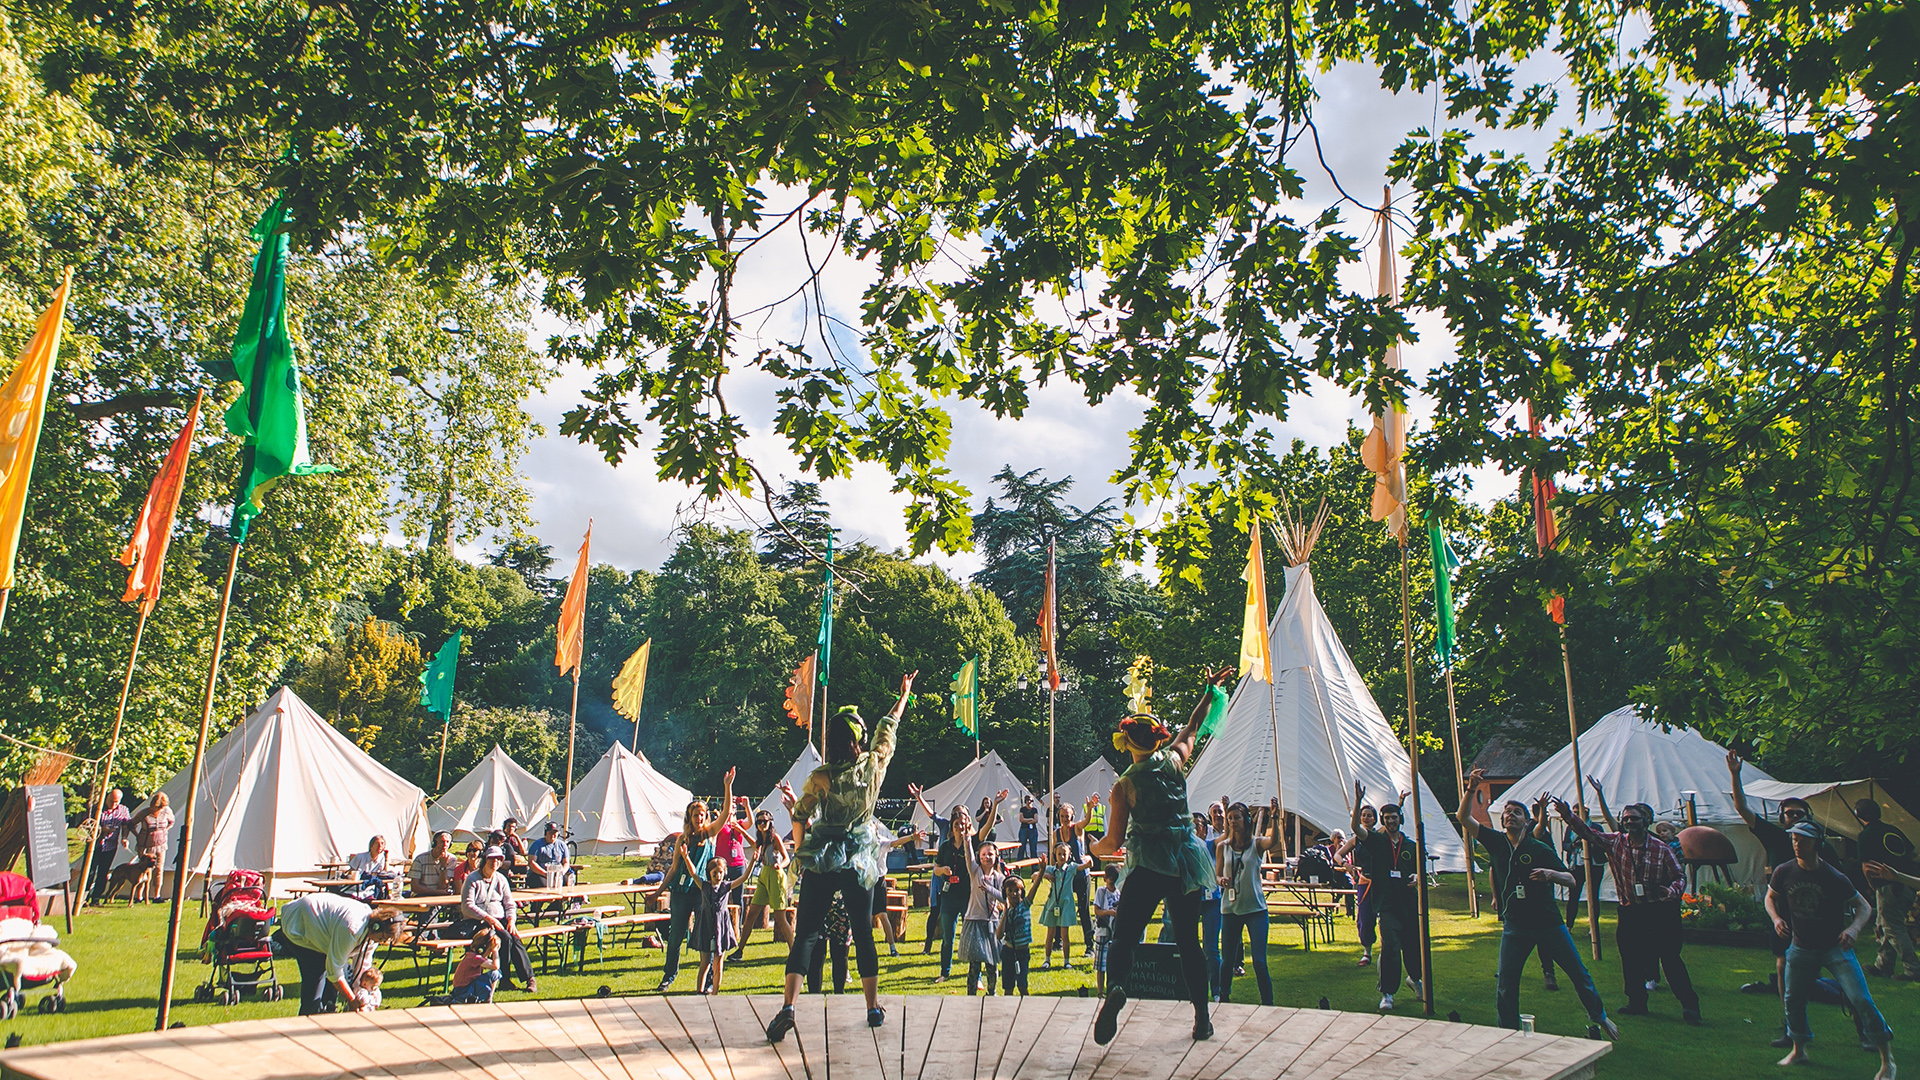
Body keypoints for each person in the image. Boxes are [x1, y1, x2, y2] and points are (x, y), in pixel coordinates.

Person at [765, 673, 916, 1042]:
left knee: (806, 935)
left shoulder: (821, 776)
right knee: (863, 933)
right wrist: (904, 695)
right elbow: (888, 728)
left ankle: (788, 1006)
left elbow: (800, 815)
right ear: (857, 739)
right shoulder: (873, 765)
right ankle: (872, 1007)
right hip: (859, 859)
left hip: (823, 856)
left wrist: (801, 851)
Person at [1089, 667, 1235, 1046]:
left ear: (1127, 742)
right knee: (1189, 942)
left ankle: (1117, 986)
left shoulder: (1125, 786)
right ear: (1157, 741)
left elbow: (1114, 841)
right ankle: (1202, 1019)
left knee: (1125, 938)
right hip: (1184, 862)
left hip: (1148, 865)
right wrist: (1209, 691)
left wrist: (1092, 848)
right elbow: (1193, 726)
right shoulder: (1174, 760)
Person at [1456, 773, 1617, 1038]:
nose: (1509, 815)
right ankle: (1506, 1031)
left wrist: (1550, 874)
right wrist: (1471, 788)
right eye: (1506, 812)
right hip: (1516, 926)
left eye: (1516, 812)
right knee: (1507, 981)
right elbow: (1464, 818)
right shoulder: (1496, 842)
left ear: (1526, 820)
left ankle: (1599, 1016)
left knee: (1578, 973)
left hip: (1549, 924)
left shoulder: (1539, 847)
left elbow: (1571, 879)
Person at [1768, 821, 1895, 1079]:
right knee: (1792, 1000)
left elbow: (1864, 907)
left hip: (1835, 949)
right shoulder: (1784, 871)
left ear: (1818, 843)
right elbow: (1770, 896)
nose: (1796, 844)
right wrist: (1777, 919)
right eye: (1794, 839)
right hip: (1801, 947)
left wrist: (1854, 930)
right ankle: (1799, 1049)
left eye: (1803, 839)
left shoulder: (1833, 876)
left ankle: (1887, 1061)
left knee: (1861, 999)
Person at [1568, 779, 1701, 1023]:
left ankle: (1689, 1005)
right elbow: (1588, 833)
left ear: (1646, 821)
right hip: (1630, 911)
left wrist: (1671, 892)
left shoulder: (1661, 849)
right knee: (1630, 959)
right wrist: (1568, 816)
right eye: (1626, 818)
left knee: (1670, 959)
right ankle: (1636, 1002)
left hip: (1659, 911)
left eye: (1635, 818)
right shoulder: (1617, 842)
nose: (1630, 822)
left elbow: (1679, 876)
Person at [1731, 750, 1830, 1045]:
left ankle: (1863, 1027)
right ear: (1782, 818)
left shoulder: (1821, 846)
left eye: (1800, 814)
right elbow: (1742, 809)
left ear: (1808, 817)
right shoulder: (1775, 837)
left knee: (1834, 968)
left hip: (1819, 916)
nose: (1795, 818)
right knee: (1782, 966)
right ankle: (1791, 1026)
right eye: (1790, 814)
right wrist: (1735, 775)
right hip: (1784, 917)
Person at [658, 768, 734, 993]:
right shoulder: (683, 838)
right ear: (689, 818)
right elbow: (673, 869)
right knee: (676, 936)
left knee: (708, 935)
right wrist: (659, 891)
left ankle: (709, 980)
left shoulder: (709, 833)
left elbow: (725, 815)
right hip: (681, 892)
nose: (699, 818)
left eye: (702, 815)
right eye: (695, 815)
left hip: (703, 892)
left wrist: (727, 787)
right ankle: (669, 976)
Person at [272, 891, 403, 1015]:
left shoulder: (372, 933)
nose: (381, 942)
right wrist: (352, 1000)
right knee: (316, 973)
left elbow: (363, 965)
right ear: (376, 927)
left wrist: (364, 990)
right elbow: (334, 971)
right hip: (299, 922)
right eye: (381, 938)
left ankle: (329, 1012)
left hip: (323, 929)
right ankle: (308, 1018)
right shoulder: (352, 928)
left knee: (344, 975)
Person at [1217, 798, 1282, 1006]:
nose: (1233, 822)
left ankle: (1268, 1002)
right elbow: (1216, 875)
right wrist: (1222, 881)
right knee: (1227, 959)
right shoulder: (1223, 847)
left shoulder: (1256, 844)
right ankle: (1223, 997)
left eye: (1236, 818)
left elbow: (1273, 842)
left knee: (1259, 961)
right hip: (1230, 909)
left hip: (1255, 908)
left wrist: (1275, 818)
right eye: (1229, 818)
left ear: (1246, 820)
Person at [1851, 798, 1920, 980]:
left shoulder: (1865, 835)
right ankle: (1883, 965)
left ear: (1859, 815)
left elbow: (1866, 867)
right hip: (1908, 886)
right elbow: (1913, 853)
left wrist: (1872, 886)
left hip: (1889, 887)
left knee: (1893, 927)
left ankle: (1913, 969)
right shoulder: (1893, 830)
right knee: (1885, 924)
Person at [460, 846, 535, 992]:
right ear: (485, 860)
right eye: (492, 859)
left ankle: (529, 978)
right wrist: (488, 918)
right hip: (479, 921)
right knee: (505, 938)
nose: (495, 862)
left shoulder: (501, 879)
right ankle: (504, 978)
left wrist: (511, 920)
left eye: (498, 859)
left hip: (500, 919)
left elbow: (509, 903)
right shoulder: (473, 879)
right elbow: (467, 906)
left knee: (514, 937)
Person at [732, 809, 793, 958]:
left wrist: (781, 865)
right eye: (759, 822)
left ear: (770, 822)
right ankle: (739, 951)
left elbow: (787, 858)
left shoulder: (775, 838)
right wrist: (740, 830)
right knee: (751, 914)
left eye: (764, 821)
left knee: (780, 917)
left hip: (775, 876)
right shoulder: (762, 840)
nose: (761, 824)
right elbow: (754, 844)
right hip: (764, 875)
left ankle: (794, 951)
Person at [959, 837, 1007, 995]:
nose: (987, 857)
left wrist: (990, 890)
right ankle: (971, 994)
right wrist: (967, 842)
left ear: (996, 856)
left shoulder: (999, 878)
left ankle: (991, 991)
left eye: (990, 854)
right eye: (984, 854)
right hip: (974, 920)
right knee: (975, 963)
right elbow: (968, 857)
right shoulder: (975, 872)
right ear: (979, 856)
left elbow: (1004, 898)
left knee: (992, 962)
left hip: (992, 922)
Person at [909, 782, 950, 955]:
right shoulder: (945, 825)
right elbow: (931, 814)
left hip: (956, 878)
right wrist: (919, 797)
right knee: (935, 911)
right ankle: (927, 946)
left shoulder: (965, 832)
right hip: (940, 876)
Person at [1052, 800, 1096, 955]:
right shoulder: (1056, 833)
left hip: (1081, 875)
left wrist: (1089, 809)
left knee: (1083, 910)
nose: (1065, 819)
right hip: (1064, 877)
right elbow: (1054, 855)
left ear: (1072, 817)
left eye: (1068, 816)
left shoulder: (1076, 828)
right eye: (1063, 816)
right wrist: (1052, 872)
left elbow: (1085, 822)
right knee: (1059, 907)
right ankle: (1057, 941)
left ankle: (1090, 946)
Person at [1338, 803, 1379, 966]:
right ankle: (1367, 952)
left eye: (1369, 815)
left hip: (1381, 881)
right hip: (1365, 881)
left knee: (1386, 916)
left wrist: (1399, 804)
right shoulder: (1356, 840)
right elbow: (1337, 855)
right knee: (1364, 918)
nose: (1366, 818)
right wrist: (1345, 865)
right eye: (1363, 815)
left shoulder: (1380, 835)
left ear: (1375, 819)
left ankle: (1388, 948)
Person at [693, 856, 737, 994]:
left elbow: (744, 878)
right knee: (705, 962)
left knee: (718, 962)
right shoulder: (704, 886)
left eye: (720, 873)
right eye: (714, 873)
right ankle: (699, 991)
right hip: (706, 925)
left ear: (724, 873)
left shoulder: (726, 887)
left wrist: (753, 862)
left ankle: (715, 992)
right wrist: (686, 857)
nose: (718, 876)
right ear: (709, 873)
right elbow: (693, 873)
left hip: (721, 926)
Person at [84, 788, 132, 902]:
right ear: (107, 798)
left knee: (103, 873)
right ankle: (83, 897)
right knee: (89, 872)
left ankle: (96, 898)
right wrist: (100, 829)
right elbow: (86, 824)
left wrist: (124, 838)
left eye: (116, 801)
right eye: (111, 801)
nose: (113, 804)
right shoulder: (97, 808)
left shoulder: (123, 810)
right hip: (94, 845)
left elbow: (126, 825)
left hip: (110, 846)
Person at [1039, 842, 1083, 967]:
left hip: (1066, 904)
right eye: (1059, 854)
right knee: (1050, 934)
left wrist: (1089, 858)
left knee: (1065, 934)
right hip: (1053, 904)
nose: (1062, 857)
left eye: (1065, 854)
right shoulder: (1051, 869)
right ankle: (1047, 960)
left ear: (1069, 856)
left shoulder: (1071, 868)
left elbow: (1086, 866)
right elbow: (1035, 874)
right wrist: (1045, 875)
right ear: (1055, 855)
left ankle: (1066, 961)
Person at [131, 793, 175, 903]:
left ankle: (157, 895)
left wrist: (165, 831)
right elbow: (131, 823)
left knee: (159, 869)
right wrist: (137, 835)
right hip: (146, 845)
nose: (159, 809)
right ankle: (139, 896)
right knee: (143, 869)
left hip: (161, 845)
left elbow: (172, 821)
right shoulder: (144, 813)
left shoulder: (166, 812)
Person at [447, 927, 501, 1004]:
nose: (490, 953)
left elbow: (493, 964)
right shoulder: (475, 958)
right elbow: (496, 966)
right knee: (495, 973)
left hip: (462, 990)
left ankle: (487, 999)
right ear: (481, 949)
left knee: (496, 972)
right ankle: (488, 1001)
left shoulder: (472, 956)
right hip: (463, 992)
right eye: (490, 950)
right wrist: (495, 951)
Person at [1000, 872, 1033, 996]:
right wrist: (1005, 913)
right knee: (1008, 988)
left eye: (1016, 891)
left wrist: (1041, 871)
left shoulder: (1025, 905)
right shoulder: (1007, 912)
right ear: (1005, 893)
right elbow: (999, 935)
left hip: (1022, 952)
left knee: (1022, 985)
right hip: (1008, 952)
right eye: (1010, 891)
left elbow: (1034, 891)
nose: (1014, 894)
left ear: (1022, 892)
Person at [1093, 863, 1120, 996]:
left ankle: (1111, 989)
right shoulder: (1101, 892)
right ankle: (1100, 991)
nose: (1112, 882)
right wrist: (1109, 912)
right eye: (1110, 879)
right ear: (1105, 879)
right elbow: (1097, 911)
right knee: (1100, 965)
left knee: (1113, 964)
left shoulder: (1119, 893)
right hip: (1103, 932)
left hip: (1115, 932)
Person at [411, 832, 459, 897]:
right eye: (442, 841)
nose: (445, 845)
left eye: (447, 842)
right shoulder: (420, 859)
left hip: (442, 896)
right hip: (422, 895)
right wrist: (436, 892)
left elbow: (443, 886)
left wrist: (443, 866)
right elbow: (415, 887)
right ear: (435, 843)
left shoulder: (452, 859)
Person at [527, 822, 570, 889]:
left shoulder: (562, 845)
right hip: (539, 874)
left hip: (557, 873)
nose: (552, 835)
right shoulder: (537, 844)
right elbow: (531, 863)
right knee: (542, 883)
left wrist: (561, 873)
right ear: (546, 833)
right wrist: (545, 874)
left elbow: (566, 862)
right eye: (550, 833)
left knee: (566, 881)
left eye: (555, 833)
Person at [1018, 794, 1041, 862]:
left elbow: (1036, 820)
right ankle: (1019, 864)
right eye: (1028, 800)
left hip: (1032, 830)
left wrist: (1026, 820)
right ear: (1025, 801)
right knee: (1022, 847)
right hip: (1023, 829)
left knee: (1033, 848)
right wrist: (1030, 819)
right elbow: (1021, 819)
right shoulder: (1022, 809)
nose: (1029, 802)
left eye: (1031, 800)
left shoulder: (1034, 810)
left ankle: (1034, 865)